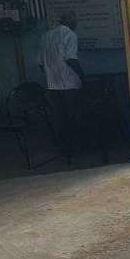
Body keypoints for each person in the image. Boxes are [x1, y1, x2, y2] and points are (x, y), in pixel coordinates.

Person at [38, 10, 85, 160]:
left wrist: (50, 74)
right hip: (69, 85)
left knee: (58, 118)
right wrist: (83, 76)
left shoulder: (46, 36)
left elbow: (40, 63)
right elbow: (71, 59)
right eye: (75, 21)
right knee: (73, 116)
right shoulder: (70, 35)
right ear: (72, 23)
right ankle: (75, 149)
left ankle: (62, 148)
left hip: (52, 85)